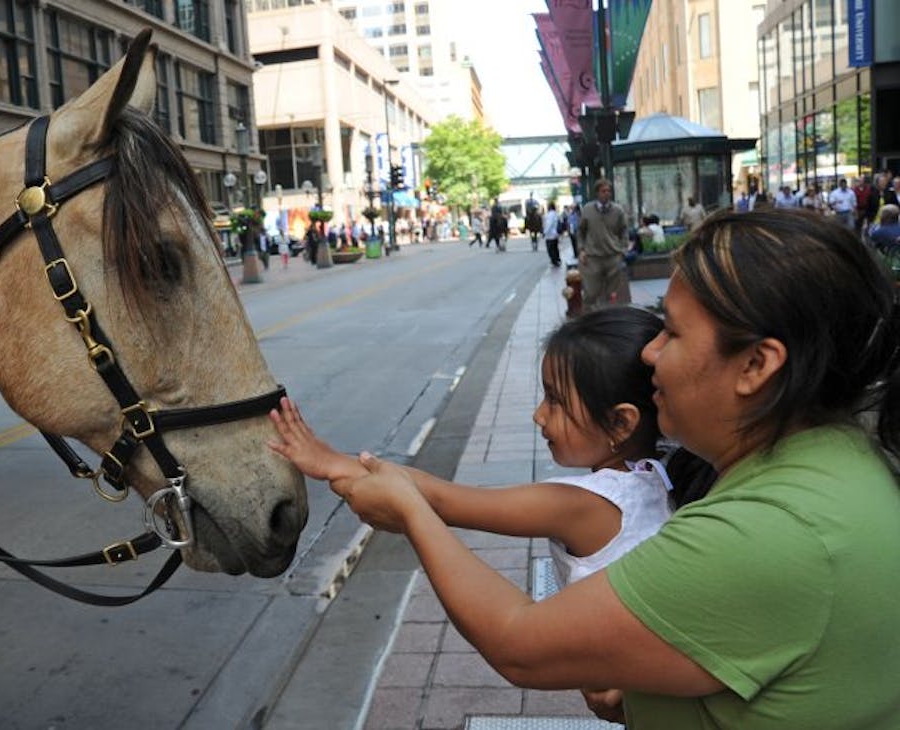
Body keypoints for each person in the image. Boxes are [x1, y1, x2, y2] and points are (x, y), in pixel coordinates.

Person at [325, 208, 900, 728]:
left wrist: (411, 513)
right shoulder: (831, 461)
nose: (650, 352)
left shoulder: (770, 534)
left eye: (672, 331)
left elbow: (519, 644)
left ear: (755, 364)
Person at [270, 307, 711, 590]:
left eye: (555, 401)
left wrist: (332, 465)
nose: (539, 415)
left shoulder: (583, 505)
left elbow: (444, 500)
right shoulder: (653, 476)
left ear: (620, 421)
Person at [577, 179, 631, 310]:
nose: (607, 194)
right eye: (603, 191)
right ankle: (588, 321)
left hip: (612, 257)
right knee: (591, 293)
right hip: (592, 258)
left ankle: (607, 321)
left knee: (611, 295)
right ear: (597, 193)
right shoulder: (587, 210)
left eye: (609, 191)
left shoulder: (618, 211)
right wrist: (581, 250)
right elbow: (580, 231)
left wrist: (623, 250)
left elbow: (624, 231)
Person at [542, 202, 562, 267]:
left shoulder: (550, 215)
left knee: (551, 249)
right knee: (555, 247)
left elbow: (549, 224)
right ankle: (557, 259)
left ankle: (554, 260)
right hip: (555, 234)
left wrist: (544, 232)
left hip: (550, 235)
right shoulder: (556, 214)